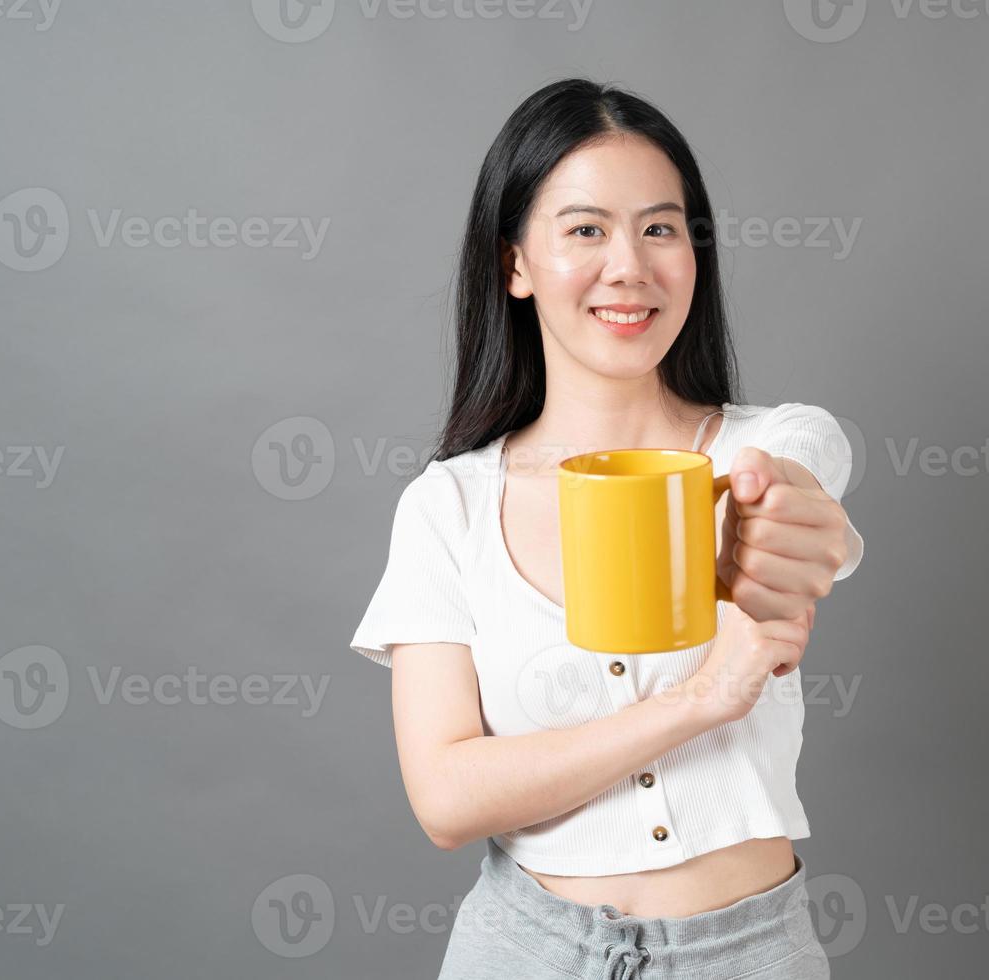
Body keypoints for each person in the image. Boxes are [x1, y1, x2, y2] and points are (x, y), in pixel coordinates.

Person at [350, 77, 865, 979]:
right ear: (515, 263)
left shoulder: (754, 456)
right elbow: (445, 796)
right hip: (521, 951)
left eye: (660, 228)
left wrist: (791, 505)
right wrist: (702, 699)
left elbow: (805, 461)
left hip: (748, 956)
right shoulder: (449, 507)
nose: (629, 265)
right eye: (586, 229)